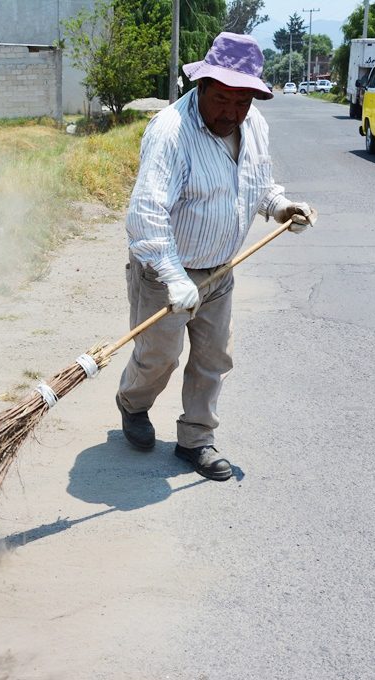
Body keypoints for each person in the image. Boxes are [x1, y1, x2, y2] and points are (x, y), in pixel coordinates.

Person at [115, 32, 316, 481]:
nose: (232, 112)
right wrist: (172, 275)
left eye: (243, 101)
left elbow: (258, 183)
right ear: (201, 86)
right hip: (165, 273)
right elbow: (146, 213)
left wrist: (281, 207)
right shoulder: (171, 131)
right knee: (159, 357)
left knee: (213, 359)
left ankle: (195, 440)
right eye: (223, 98)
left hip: (221, 270)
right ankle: (133, 404)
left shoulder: (253, 124)